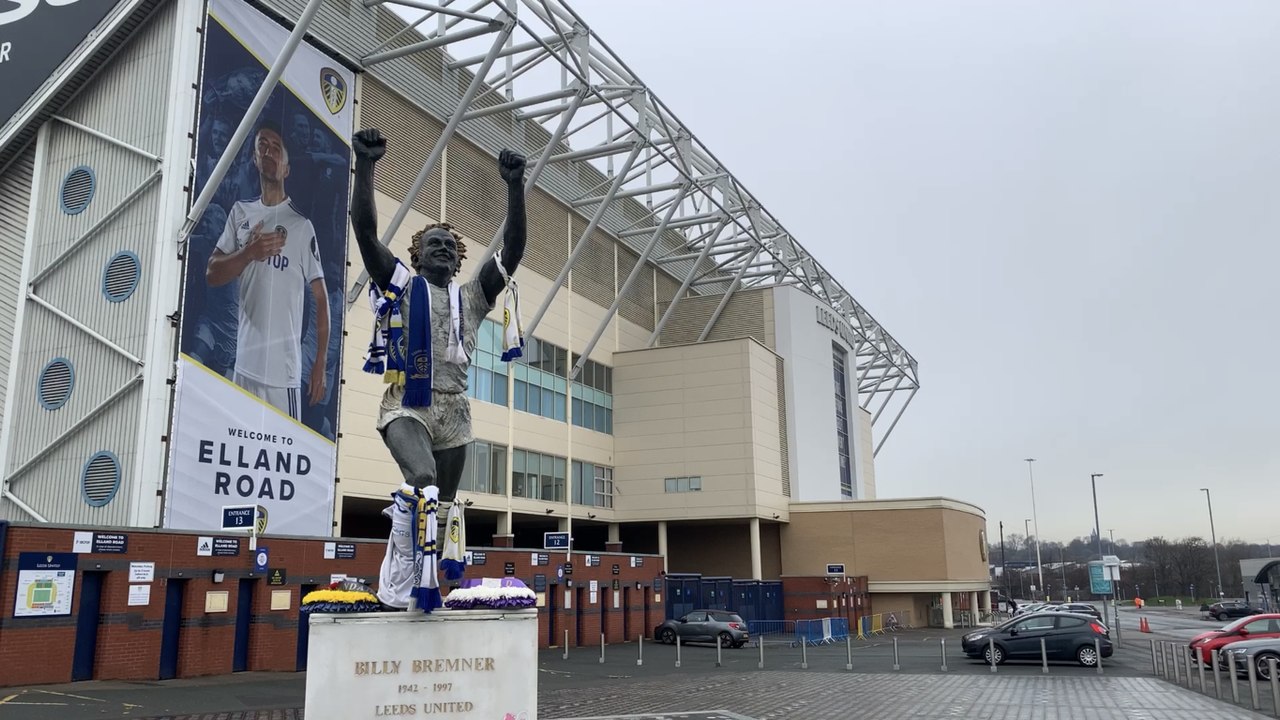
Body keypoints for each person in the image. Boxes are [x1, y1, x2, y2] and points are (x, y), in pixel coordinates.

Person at [349, 127, 526, 611]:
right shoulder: (401, 283)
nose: (444, 248)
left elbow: (512, 253)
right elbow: (365, 232)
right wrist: (364, 166)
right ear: (417, 253)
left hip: (455, 410)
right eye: (434, 243)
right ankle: (399, 580)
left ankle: (416, 587)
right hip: (408, 402)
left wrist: (515, 188)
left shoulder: (472, 296)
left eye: (451, 244)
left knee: (441, 510)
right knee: (423, 478)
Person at [206, 119, 329, 421]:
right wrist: (249, 252)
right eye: (263, 145)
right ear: (254, 158)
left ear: (287, 167)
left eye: (276, 148)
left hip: (283, 375)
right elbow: (212, 273)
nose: (269, 152)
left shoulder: (301, 226)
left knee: (280, 459)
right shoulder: (240, 213)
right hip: (244, 364)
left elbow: (321, 298)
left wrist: (319, 364)